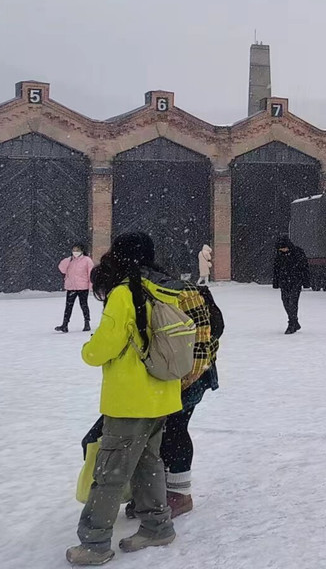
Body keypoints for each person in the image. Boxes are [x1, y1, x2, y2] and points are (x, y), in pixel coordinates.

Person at [66, 232, 182, 566]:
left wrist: (88, 350)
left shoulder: (123, 293)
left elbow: (103, 347)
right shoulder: (166, 288)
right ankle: (157, 526)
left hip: (130, 400)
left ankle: (95, 543)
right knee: (149, 464)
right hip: (162, 394)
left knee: (110, 474)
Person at [126, 284, 222, 520]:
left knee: (174, 429)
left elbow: (203, 337)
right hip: (175, 373)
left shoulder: (177, 293)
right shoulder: (155, 288)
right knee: (161, 432)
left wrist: (186, 380)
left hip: (191, 374)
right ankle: (157, 491)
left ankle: (180, 494)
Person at [273, 236, 309, 334]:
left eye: (284, 248)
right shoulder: (279, 255)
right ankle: (295, 322)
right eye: (281, 249)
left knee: (293, 302)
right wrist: (276, 282)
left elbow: (304, 267)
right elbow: (276, 269)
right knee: (285, 301)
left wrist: (305, 282)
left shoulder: (298, 253)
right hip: (284, 282)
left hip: (296, 281)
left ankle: (291, 324)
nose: (282, 250)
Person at [57, 244, 95, 333]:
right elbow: (62, 269)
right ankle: (65, 325)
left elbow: (91, 273)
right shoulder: (70, 260)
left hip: (83, 287)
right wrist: (68, 260)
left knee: (84, 305)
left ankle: (87, 323)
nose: (75, 252)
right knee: (68, 306)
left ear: (82, 250)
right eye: (74, 250)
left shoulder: (87, 260)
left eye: (77, 250)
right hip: (71, 287)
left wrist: (91, 285)